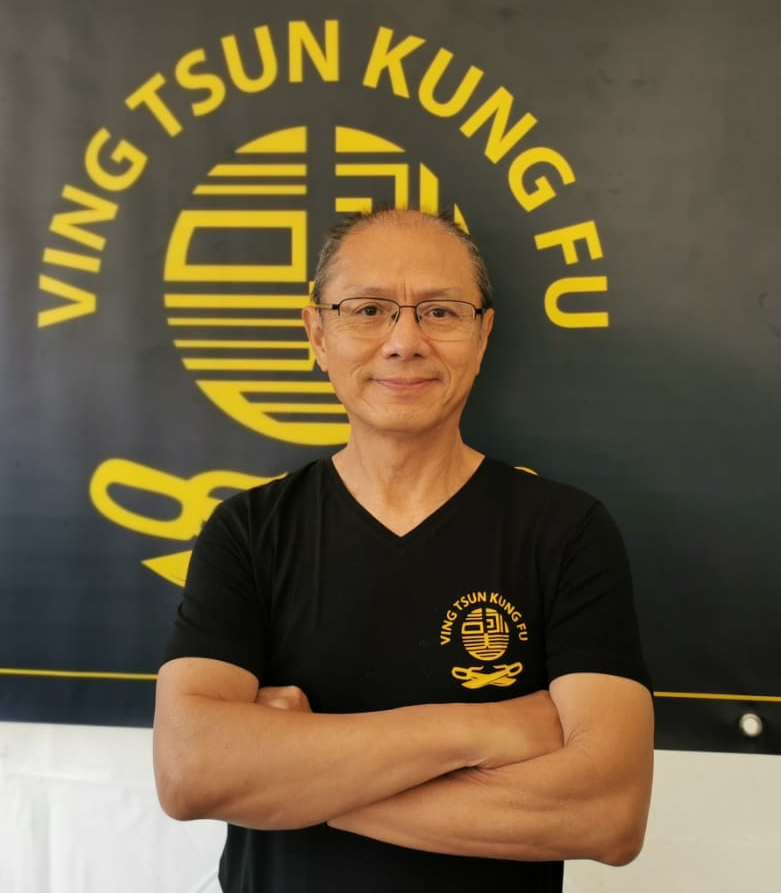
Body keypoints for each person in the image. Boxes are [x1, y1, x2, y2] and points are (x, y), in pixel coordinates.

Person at [153, 208, 654, 893]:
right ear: (317, 334)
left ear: (482, 335)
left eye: (441, 312)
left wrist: (297, 780)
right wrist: (491, 727)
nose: (403, 341)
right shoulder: (248, 531)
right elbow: (189, 772)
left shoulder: (566, 531)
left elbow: (607, 813)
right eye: (368, 310)